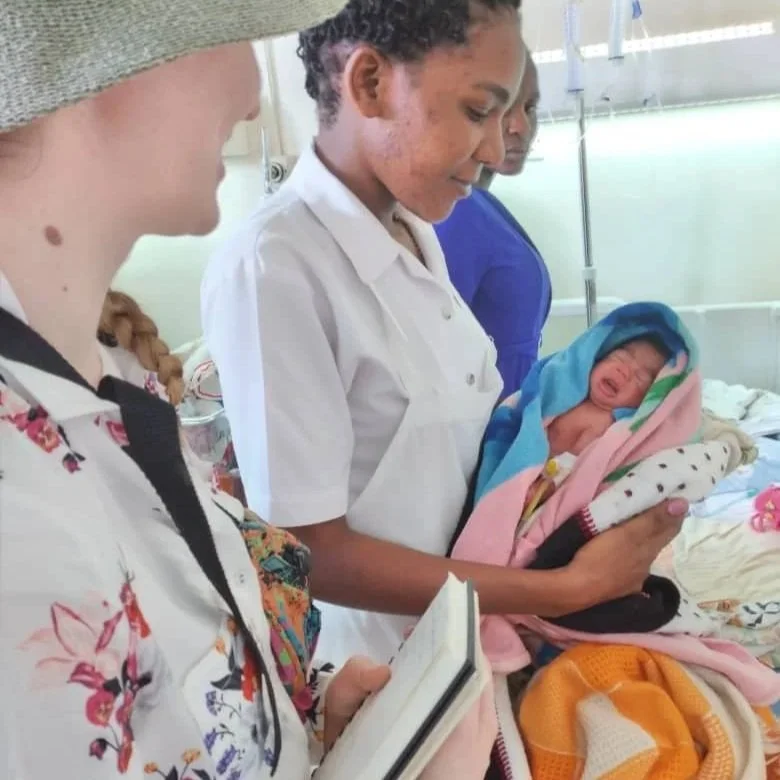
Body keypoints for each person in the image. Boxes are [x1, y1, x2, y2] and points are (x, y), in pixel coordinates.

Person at [0, 2, 498, 778]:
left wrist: (303, 737)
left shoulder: (110, 386)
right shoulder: (18, 511)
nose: (253, 95)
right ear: (103, 54)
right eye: (236, 38)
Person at [202, 0, 689, 670]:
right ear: (370, 83)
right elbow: (307, 550)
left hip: (475, 643)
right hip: (379, 674)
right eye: (477, 110)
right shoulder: (277, 265)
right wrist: (566, 589)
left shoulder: (413, 234)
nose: (495, 149)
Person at [435, 53, 551, 399]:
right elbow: (437, 360)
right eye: (502, 107)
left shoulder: (482, 206)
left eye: (529, 108)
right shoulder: (454, 214)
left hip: (510, 423)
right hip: (480, 436)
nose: (521, 127)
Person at [547, 336, 669, 457]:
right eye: (620, 358)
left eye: (640, 378)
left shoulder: (605, 425)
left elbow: (581, 466)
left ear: (643, 402)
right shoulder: (567, 389)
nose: (623, 371)